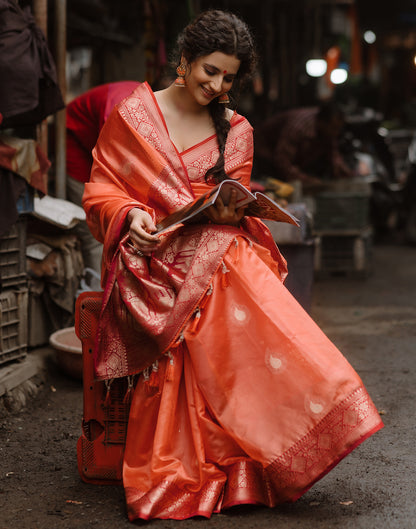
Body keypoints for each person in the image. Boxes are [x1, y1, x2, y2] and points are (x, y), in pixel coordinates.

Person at [82, 10, 383, 522]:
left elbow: (234, 203)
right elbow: (102, 189)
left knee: (229, 266)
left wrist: (228, 210)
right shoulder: (134, 116)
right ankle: (177, 471)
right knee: (227, 279)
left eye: (228, 77)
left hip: (216, 255)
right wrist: (129, 215)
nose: (217, 85)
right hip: (153, 258)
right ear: (184, 60)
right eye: (210, 72)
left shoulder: (236, 130)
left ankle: (255, 462)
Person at [66, 81, 140, 273]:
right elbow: (111, 171)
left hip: (102, 142)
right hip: (75, 140)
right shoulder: (115, 115)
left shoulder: (150, 108)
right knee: (92, 220)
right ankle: (96, 286)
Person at [253, 101, 353, 189]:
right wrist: (308, 180)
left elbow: (333, 152)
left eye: (338, 129)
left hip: (289, 157)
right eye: (334, 128)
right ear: (322, 122)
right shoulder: (298, 128)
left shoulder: (328, 130)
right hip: (262, 152)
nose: (336, 133)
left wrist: (343, 171)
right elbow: (282, 161)